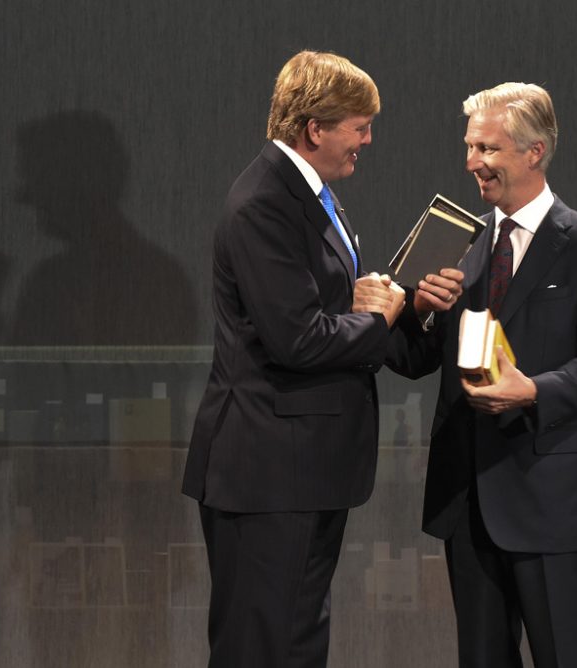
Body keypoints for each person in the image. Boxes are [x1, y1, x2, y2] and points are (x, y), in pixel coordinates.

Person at [182, 50, 461, 668]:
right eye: (359, 126)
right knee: (261, 647)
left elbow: (361, 325)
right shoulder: (264, 203)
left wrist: (416, 307)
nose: (368, 139)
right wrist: (377, 314)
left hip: (302, 471)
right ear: (315, 128)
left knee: (297, 641)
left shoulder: (314, 199)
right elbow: (299, 340)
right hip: (268, 472)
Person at [403, 83, 577, 667]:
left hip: (552, 502)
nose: (471, 162)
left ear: (534, 152)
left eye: (487, 148)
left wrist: (532, 391)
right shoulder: (463, 243)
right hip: (468, 504)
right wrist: (419, 313)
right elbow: (416, 360)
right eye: (469, 146)